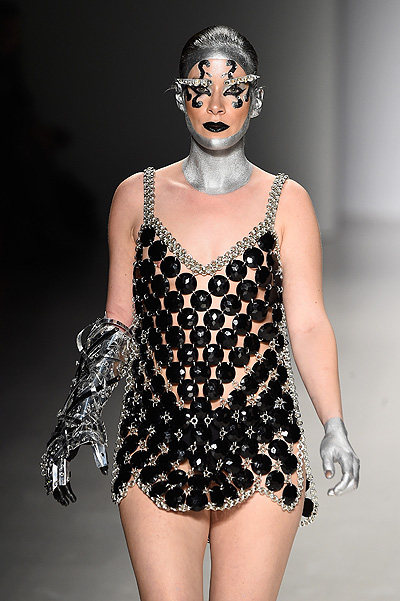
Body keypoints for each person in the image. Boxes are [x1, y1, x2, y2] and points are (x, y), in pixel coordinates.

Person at [41, 25, 360, 601]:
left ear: (255, 100)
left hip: (261, 441)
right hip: (155, 439)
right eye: (199, 87)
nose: (215, 105)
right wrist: (79, 409)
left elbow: (308, 321)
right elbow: (118, 321)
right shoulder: (135, 198)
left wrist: (333, 424)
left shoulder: (287, 203)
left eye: (232, 90)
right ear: (178, 96)